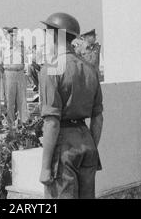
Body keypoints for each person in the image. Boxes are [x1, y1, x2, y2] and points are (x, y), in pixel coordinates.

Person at [39, 12, 103, 199]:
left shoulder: (51, 68)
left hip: (64, 143)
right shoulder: (89, 68)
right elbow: (98, 117)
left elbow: (52, 122)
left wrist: (45, 167)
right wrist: (91, 145)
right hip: (86, 141)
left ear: (54, 36)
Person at [1, 26, 29, 129]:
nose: (13, 37)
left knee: (21, 99)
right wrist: (7, 71)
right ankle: (10, 123)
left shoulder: (21, 46)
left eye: (15, 35)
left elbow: (25, 60)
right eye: (11, 35)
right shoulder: (3, 47)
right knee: (9, 99)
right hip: (9, 73)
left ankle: (23, 122)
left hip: (20, 73)